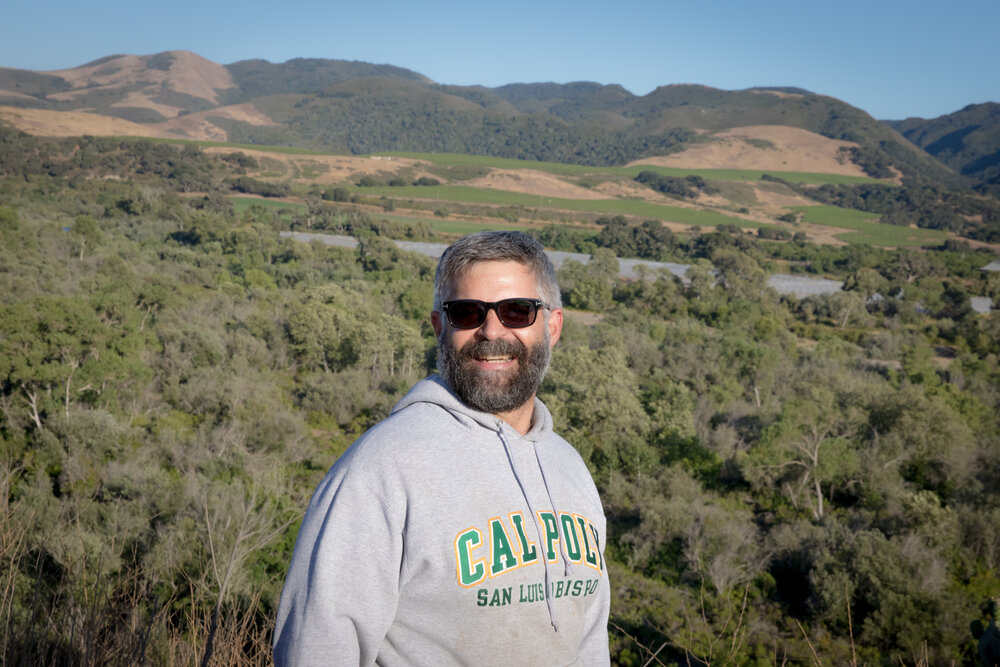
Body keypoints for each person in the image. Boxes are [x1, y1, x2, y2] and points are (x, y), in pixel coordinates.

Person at [273, 231, 610, 665]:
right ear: (439, 327)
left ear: (553, 325)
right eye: (466, 312)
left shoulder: (570, 467)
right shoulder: (379, 471)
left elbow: (589, 640)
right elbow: (314, 649)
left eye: (517, 311)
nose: (491, 330)